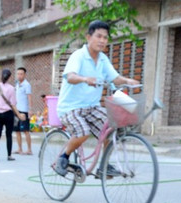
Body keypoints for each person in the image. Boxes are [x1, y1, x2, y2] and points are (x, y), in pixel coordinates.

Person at [53, 20, 138, 177]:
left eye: (105, 38)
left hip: (92, 107)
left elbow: (115, 78)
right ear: (88, 37)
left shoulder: (103, 60)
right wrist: (85, 79)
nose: (102, 41)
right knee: (83, 132)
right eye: (98, 36)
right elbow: (70, 76)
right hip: (70, 108)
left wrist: (127, 81)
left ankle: (103, 166)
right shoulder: (78, 56)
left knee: (113, 127)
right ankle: (63, 157)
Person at [0, 69, 24, 161]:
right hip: (8, 114)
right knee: (8, 135)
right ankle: (9, 156)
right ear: (9, 77)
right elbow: (13, 104)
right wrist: (19, 114)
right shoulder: (11, 88)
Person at [14, 67, 34, 155]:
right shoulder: (17, 84)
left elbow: (29, 97)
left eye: (21, 74)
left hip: (24, 111)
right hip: (17, 111)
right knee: (17, 130)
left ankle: (29, 149)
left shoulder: (27, 85)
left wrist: (30, 109)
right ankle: (19, 148)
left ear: (25, 75)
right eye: (18, 74)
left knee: (26, 130)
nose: (19, 75)